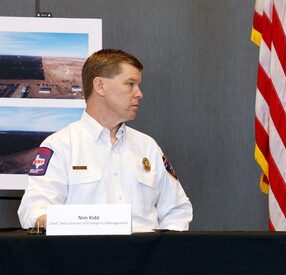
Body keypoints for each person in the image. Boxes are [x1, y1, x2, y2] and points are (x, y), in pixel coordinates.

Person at [18, 49, 192, 232]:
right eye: (130, 84)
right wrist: (72, 224)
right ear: (100, 86)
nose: (139, 94)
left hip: (145, 257)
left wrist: (164, 252)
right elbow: (33, 209)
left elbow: (177, 210)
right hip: (85, 256)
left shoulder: (147, 147)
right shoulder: (60, 146)